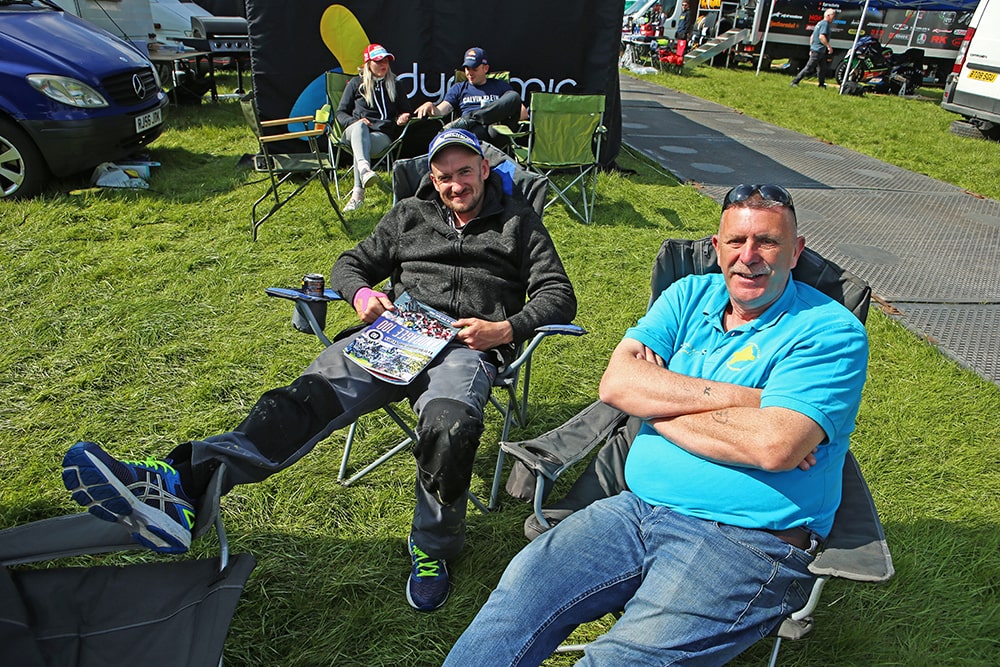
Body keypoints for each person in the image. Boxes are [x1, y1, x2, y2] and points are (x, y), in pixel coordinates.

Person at [61, 128, 577, 613]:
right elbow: (349, 264)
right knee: (302, 399)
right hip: (397, 336)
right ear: (431, 177)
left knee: (450, 424)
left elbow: (560, 295)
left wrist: (505, 329)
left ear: (484, 169)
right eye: (443, 177)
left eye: (464, 172)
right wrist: (360, 293)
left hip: (468, 347)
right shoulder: (409, 215)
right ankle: (180, 486)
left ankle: (434, 546)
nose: (454, 185)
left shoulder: (519, 223)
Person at [443, 184, 869, 665]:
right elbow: (618, 386)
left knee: (617, 661)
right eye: (736, 242)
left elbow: (775, 445)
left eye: (768, 242)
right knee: (514, 604)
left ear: (796, 251)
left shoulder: (829, 331)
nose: (749, 257)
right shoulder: (687, 295)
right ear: (716, 247)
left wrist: (658, 399)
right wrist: (755, 402)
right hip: (632, 511)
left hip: (746, 540)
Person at [336, 43, 412, 211]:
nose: (383, 65)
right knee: (360, 128)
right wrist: (354, 123)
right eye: (378, 61)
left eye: (386, 61)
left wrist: (403, 116)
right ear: (368, 64)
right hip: (352, 133)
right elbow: (340, 113)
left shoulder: (395, 84)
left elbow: (406, 110)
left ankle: (358, 193)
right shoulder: (356, 83)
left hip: (380, 136)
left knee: (362, 145)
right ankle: (364, 171)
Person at [413, 47, 527, 143]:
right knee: (473, 133)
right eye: (467, 68)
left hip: (496, 128)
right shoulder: (459, 88)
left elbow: (522, 113)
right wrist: (430, 105)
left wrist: (495, 115)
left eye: (474, 68)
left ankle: (471, 118)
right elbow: (441, 111)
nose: (469, 73)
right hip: (472, 132)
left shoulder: (500, 85)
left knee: (514, 96)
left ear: (485, 68)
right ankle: (472, 121)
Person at [791, 8, 836, 88]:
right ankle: (795, 81)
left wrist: (811, 48)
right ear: (828, 15)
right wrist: (828, 46)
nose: (834, 18)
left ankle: (821, 84)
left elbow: (812, 36)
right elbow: (821, 36)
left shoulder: (819, 23)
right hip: (818, 51)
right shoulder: (825, 24)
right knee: (809, 68)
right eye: (833, 15)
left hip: (818, 50)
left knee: (822, 68)